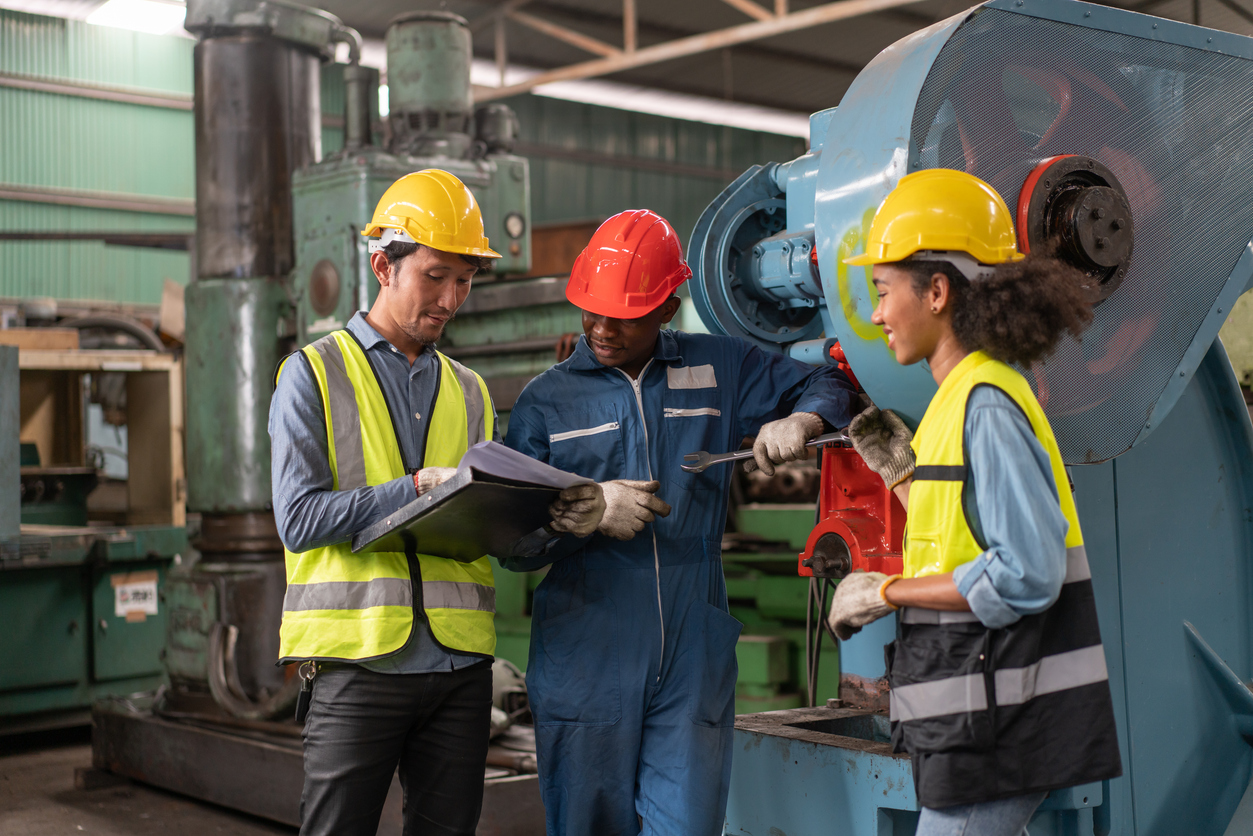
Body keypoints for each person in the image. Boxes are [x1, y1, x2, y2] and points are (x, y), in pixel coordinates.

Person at [500, 209, 859, 836]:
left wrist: (802, 421)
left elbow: (832, 382)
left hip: (692, 649)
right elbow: (514, 544)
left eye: (624, 314)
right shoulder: (546, 402)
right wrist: (583, 514)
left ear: (668, 309)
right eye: (591, 310)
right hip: (589, 653)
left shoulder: (718, 367)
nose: (601, 328)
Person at [268, 169, 604, 836]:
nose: (451, 298)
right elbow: (299, 519)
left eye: (465, 280)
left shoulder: (472, 391)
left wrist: (552, 520)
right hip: (358, 664)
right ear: (381, 266)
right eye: (435, 276)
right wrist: (415, 488)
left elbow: (497, 536)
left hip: (458, 671)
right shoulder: (312, 373)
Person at [829, 169, 1123, 835]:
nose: (875, 315)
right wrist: (902, 475)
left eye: (882, 292)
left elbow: (1025, 572)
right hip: (973, 711)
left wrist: (888, 593)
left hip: (999, 720)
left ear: (935, 291)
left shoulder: (984, 403)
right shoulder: (955, 401)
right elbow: (962, 529)